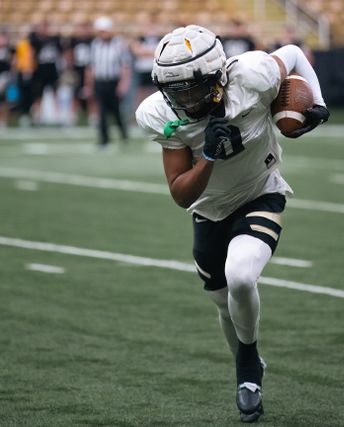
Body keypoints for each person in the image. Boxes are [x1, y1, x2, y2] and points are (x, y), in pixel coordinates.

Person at [136, 25, 329, 423]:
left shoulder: (253, 75)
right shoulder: (159, 114)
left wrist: (317, 103)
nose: (185, 100)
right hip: (208, 210)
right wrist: (207, 155)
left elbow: (292, 52)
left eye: (193, 89)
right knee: (225, 305)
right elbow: (181, 194)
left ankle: (246, 367)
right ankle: (248, 354)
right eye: (177, 92)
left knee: (241, 276)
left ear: (219, 76)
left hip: (261, 191)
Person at [85, 16, 131, 147]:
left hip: (113, 82)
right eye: (100, 31)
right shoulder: (95, 44)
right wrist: (89, 84)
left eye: (104, 31)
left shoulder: (118, 44)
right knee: (102, 113)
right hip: (100, 82)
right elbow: (90, 67)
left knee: (117, 111)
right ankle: (104, 139)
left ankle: (124, 136)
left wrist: (123, 83)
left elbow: (125, 66)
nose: (102, 34)